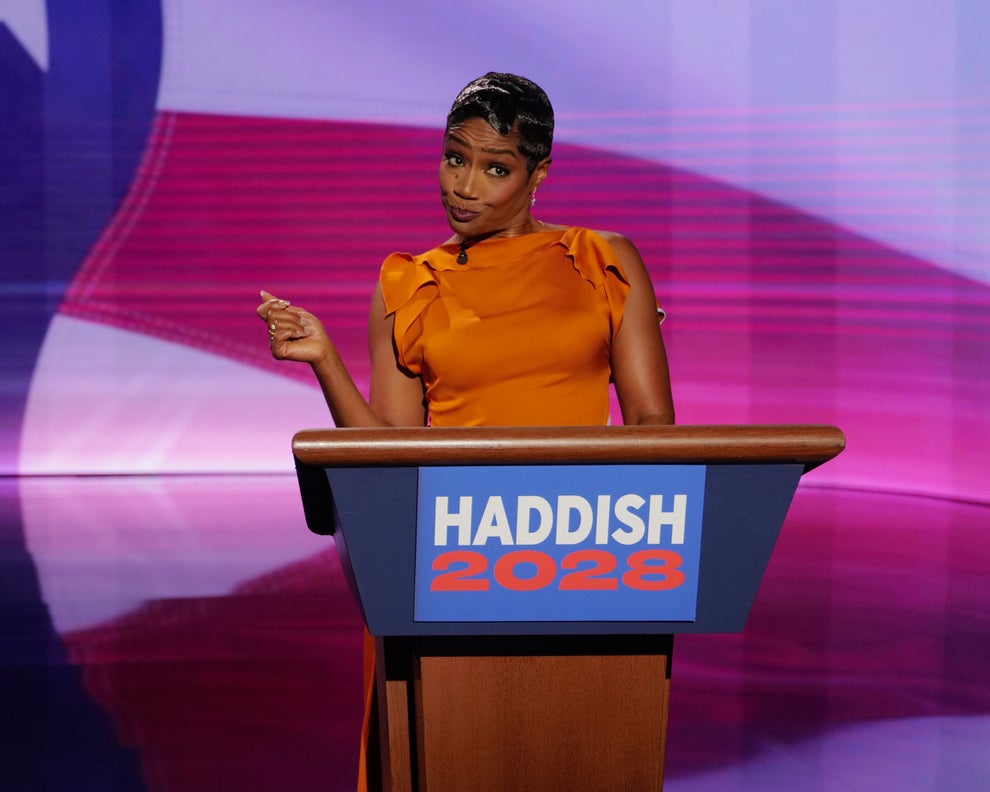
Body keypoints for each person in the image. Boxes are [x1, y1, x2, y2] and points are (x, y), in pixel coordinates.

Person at [256, 72, 674, 790]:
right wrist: (324, 360)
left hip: (583, 551)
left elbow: (653, 424)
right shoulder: (409, 283)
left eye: (495, 168)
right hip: (452, 556)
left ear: (539, 174)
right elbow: (389, 454)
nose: (465, 185)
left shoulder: (602, 260)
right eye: (455, 158)